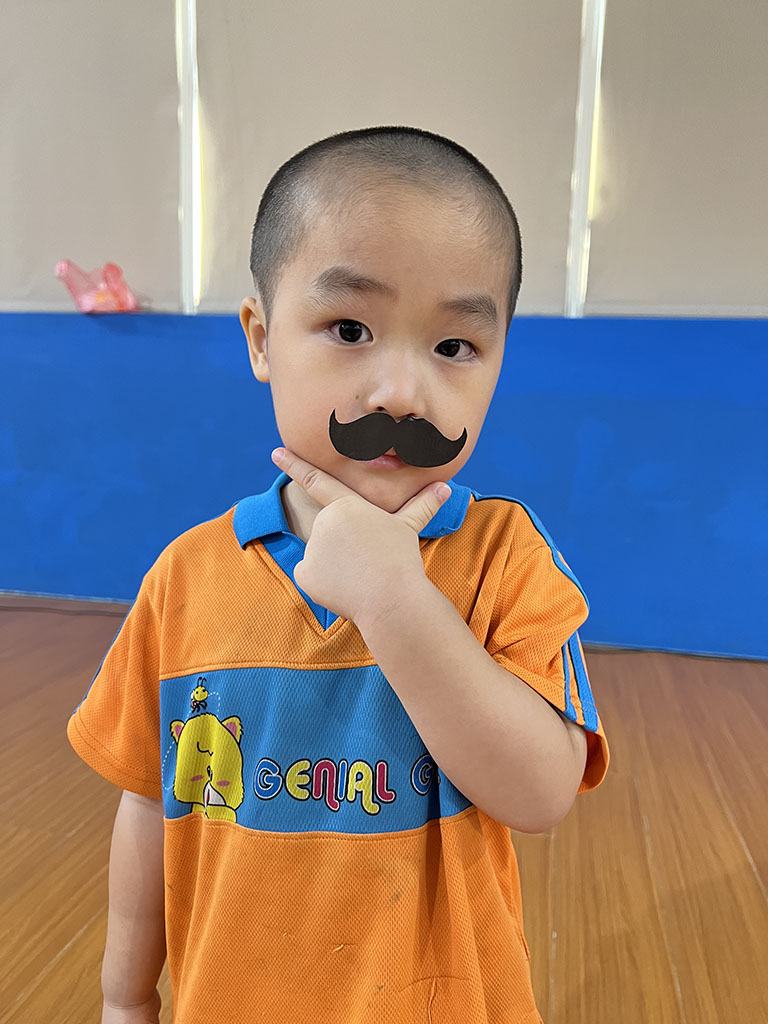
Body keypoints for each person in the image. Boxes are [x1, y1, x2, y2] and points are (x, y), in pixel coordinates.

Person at [67, 125, 610, 1024]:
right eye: (350, 329)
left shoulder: (503, 557)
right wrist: (124, 998)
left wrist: (396, 599)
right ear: (261, 339)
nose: (401, 392)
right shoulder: (189, 576)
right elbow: (149, 807)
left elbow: (542, 794)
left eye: (455, 346)